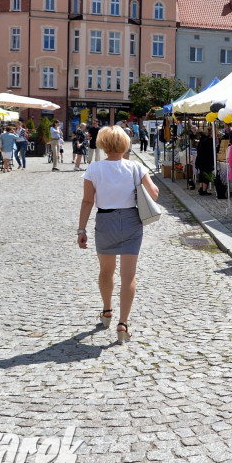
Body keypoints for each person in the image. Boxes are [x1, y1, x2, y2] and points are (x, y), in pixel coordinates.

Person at [77, 125, 159, 343]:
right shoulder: (135, 167)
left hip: (105, 220)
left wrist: (81, 229)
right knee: (128, 274)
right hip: (132, 221)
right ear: (125, 144)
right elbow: (155, 194)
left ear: (103, 145)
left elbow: (87, 201)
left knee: (106, 270)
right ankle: (123, 324)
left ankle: (107, 311)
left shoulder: (94, 169)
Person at [195, 124, 215, 196]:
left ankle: (201, 188)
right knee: (206, 175)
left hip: (200, 159)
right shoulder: (209, 140)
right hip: (206, 160)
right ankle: (204, 190)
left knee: (202, 174)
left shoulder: (203, 139)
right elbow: (210, 152)